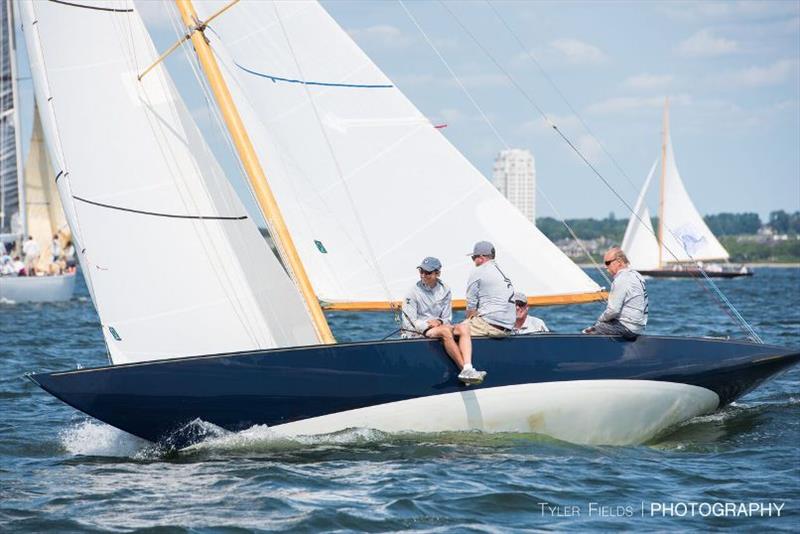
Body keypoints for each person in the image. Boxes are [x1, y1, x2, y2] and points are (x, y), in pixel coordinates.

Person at [402, 256, 486, 385]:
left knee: (464, 328)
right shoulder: (412, 292)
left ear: (437, 273)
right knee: (446, 331)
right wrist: (428, 324)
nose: (423, 275)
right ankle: (464, 370)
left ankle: (469, 367)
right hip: (419, 331)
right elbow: (409, 324)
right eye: (421, 271)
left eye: (428, 272)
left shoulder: (445, 289)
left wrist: (439, 322)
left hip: (440, 326)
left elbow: (447, 318)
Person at [583, 247, 648, 340]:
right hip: (639, 329)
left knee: (588, 332)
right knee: (603, 325)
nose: (606, 267)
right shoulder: (637, 276)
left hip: (626, 329)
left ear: (619, 261)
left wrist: (600, 320)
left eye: (608, 263)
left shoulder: (621, 279)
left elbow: (613, 310)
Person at [463, 241, 516, 337]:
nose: (473, 261)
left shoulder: (478, 271)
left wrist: (467, 323)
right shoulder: (501, 271)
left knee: (452, 332)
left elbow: (471, 307)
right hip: (508, 327)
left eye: (474, 257)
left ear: (481, 258)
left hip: (491, 325)